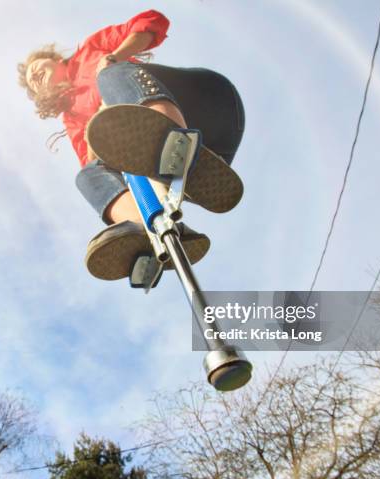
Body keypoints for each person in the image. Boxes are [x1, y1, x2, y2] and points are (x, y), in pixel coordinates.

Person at [17, 9, 245, 281]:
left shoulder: (89, 50)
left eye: (36, 69)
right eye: (32, 82)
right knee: (87, 175)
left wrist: (116, 57)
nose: (35, 78)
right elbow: (94, 165)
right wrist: (95, 137)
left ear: (55, 60)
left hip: (210, 102)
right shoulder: (72, 118)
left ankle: (174, 136)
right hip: (214, 152)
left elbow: (151, 23)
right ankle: (145, 227)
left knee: (109, 76)